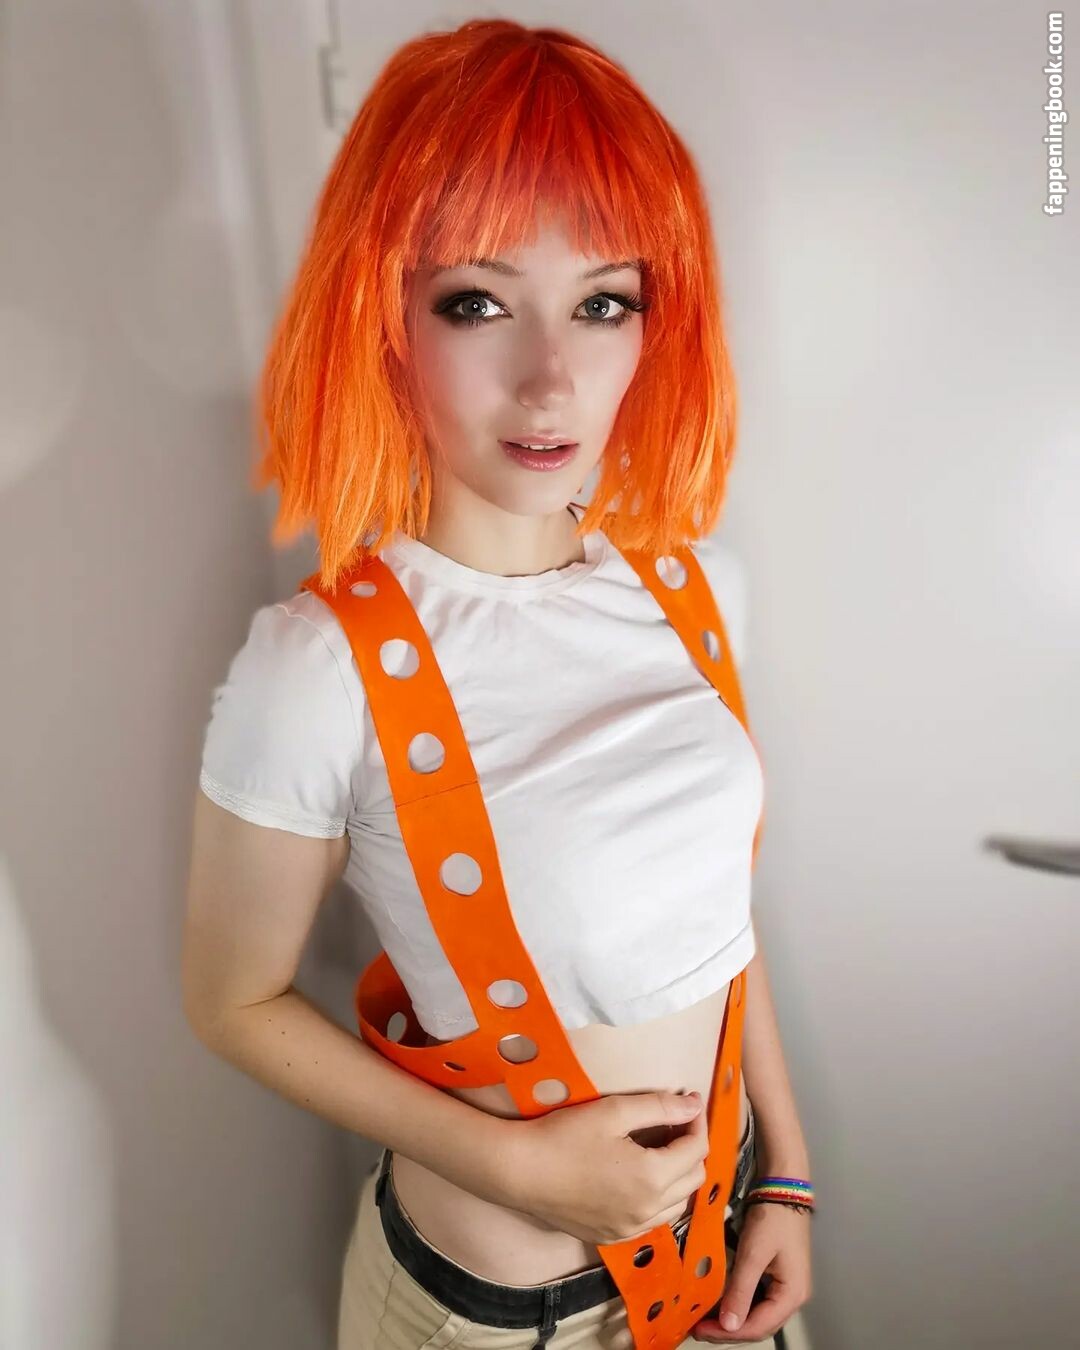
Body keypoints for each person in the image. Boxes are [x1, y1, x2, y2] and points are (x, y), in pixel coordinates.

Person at [182, 17, 813, 1350]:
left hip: (721, 1255)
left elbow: (718, 922)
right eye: (477, 301)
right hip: (498, 1315)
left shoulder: (696, 590)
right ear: (384, 317)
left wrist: (787, 1174)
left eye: (603, 302)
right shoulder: (318, 667)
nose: (551, 378)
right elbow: (230, 999)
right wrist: (523, 1168)